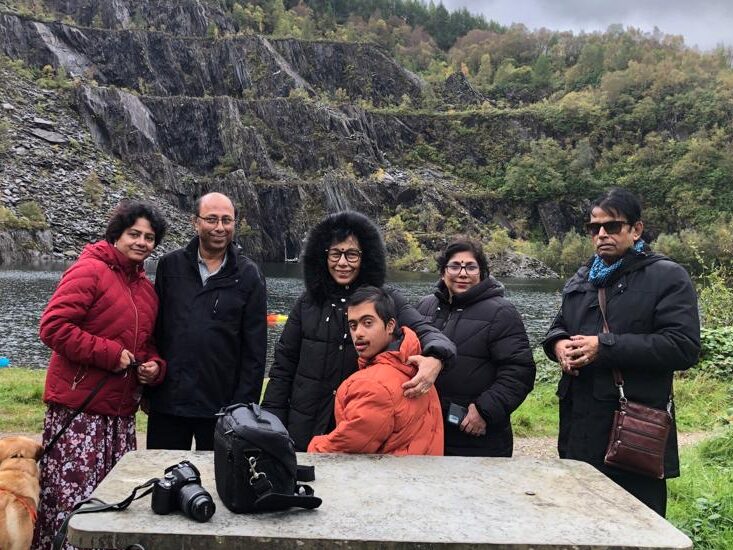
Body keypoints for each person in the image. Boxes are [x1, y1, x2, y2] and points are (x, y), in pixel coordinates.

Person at [542, 188, 700, 517]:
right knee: (577, 519)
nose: (601, 235)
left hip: (632, 431)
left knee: (636, 524)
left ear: (636, 230)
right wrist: (557, 344)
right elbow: (559, 326)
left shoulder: (667, 276)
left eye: (612, 227)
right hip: (578, 427)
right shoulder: (583, 277)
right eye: (593, 228)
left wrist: (605, 347)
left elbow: (682, 347)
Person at [32, 201, 167, 550]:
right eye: (134, 234)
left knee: (111, 500)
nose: (141, 242)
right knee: (70, 498)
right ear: (116, 234)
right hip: (81, 411)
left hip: (119, 416)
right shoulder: (89, 270)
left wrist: (154, 366)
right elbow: (52, 327)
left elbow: (146, 343)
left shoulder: (145, 289)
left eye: (149, 238)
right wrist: (108, 354)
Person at [261, 210, 455, 451]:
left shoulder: (386, 299)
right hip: (305, 426)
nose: (343, 263)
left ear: (366, 258)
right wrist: (271, 425)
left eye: (351, 254)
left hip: (359, 428)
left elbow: (428, 332)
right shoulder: (307, 303)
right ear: (322, 256)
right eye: (335, 254)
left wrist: (436, 358)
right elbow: (283, 367)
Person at [146, 192, 266, 451]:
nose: (219, 227)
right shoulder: (170, 266)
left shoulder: (248, 275)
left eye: (227, 220)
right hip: (170, 402)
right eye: (211, 219)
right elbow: (154, 331)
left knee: (218, 483)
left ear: (235, 223)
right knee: (165, 477)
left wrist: (242, 406)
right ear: (195, 222)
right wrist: (149, 391)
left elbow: (255, 351)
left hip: (221, 408)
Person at [416, 239, 535, 457]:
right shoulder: (425, 306)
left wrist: (484, 410)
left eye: (470, 267)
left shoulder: (502, 312)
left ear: (482, 273)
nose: (462, 273)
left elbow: (519, 372)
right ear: (443, 271)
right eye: (454, 266)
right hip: (426, 427)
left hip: (475, 434)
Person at [308, 286, 444, 455]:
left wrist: (312, 450)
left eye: (367, 323)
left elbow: (347, 446)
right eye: (353, 325)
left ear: (390, 325)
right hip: (414, 473)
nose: (358, 333)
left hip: (386, 479)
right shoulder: (415, 364)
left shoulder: (373, 384)